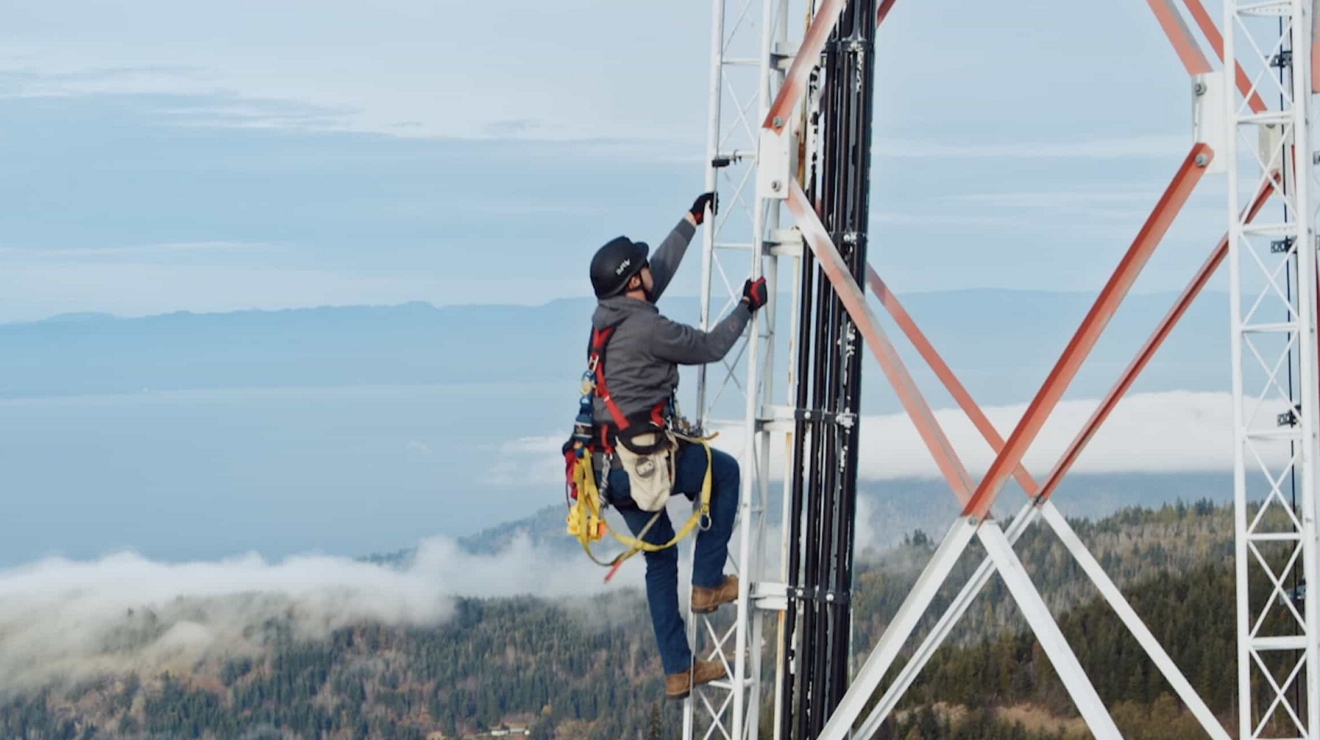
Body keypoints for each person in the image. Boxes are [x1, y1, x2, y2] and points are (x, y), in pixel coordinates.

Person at [586, 191, 769, 700]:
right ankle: (708, 582)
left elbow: (652, 275)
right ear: (631, 282)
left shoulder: (608, 318)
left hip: (609, 470)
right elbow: (710, 346)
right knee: (723, 473)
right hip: (645, 463)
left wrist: (690, 223)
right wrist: (747, 307)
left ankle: (678, 669)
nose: (650, 271)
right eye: (640, 268)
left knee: (660, 559)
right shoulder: (648, 328)